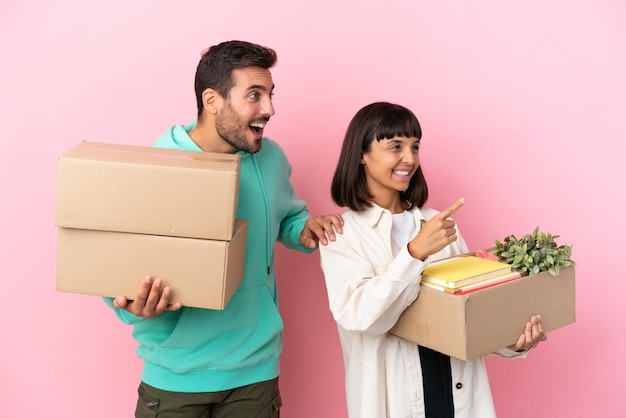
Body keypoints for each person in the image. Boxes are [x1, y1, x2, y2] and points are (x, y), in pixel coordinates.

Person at [103, 40, 343, 418]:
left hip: (255, 371)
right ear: (212, 100)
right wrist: (132, 306)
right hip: (176, 376)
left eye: (270, 94)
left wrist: (303, 229)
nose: (269, 108)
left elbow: (287, 217)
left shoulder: (272, 158)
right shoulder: (158, 165)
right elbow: (116, 261)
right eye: (254, 95)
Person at [318, 101, 547, 418]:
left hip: (455, 391)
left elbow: (468, 314)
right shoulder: (342, 233)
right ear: (361, 154)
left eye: (415, 146)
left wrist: (514, 342)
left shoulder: (438, 225)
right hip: (393, 398)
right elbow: (361, 318)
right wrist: (414, 253)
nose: (409, 159)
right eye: (395, 146)